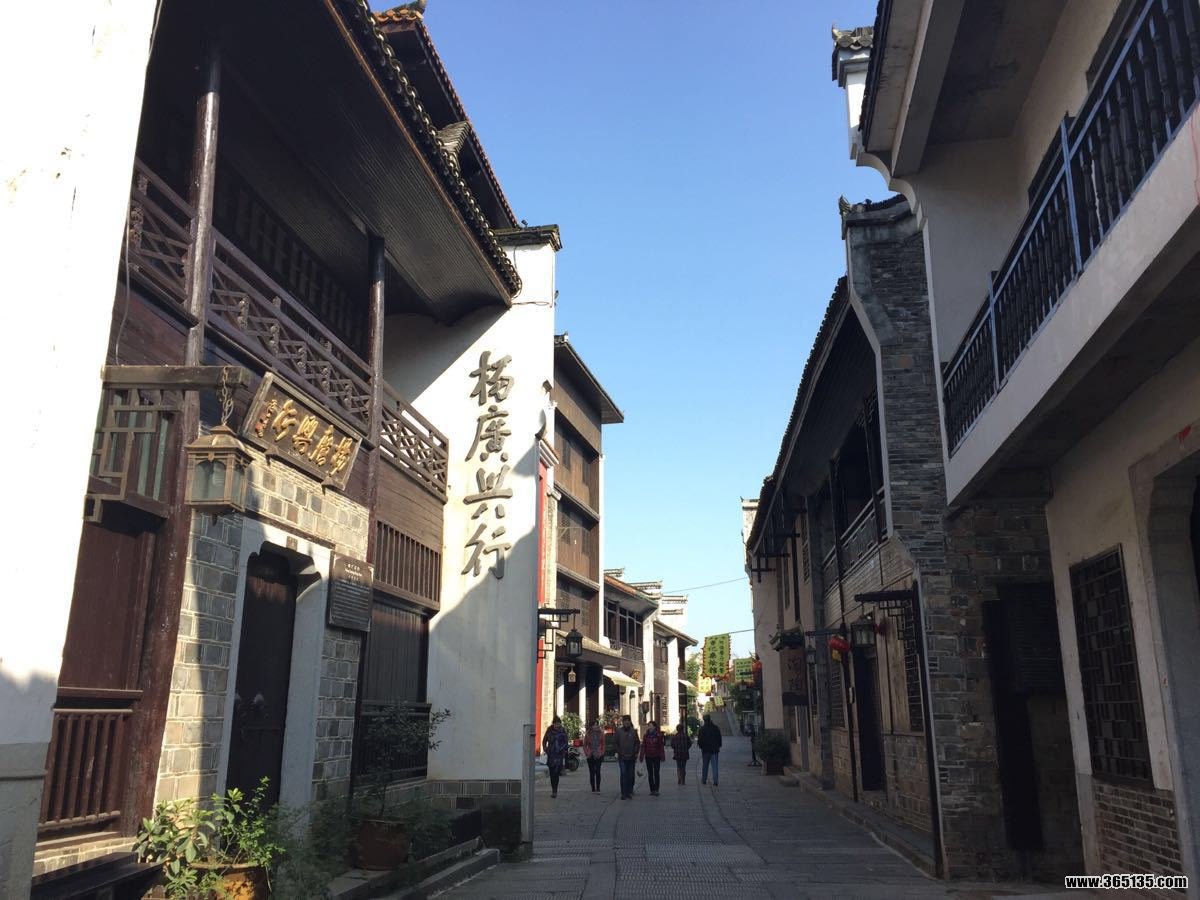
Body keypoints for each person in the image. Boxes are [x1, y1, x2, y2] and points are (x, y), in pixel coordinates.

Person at [542, 715, 569, 799]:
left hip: (559, 754)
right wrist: (545, 749)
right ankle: (553, 789)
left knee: (556, 773)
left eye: (558, 724)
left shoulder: (562, 731)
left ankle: (555, 791)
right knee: (552, 773)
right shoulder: (549, 730)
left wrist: (563, 749)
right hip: (551, 754)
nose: (557, 725)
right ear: (553, 724)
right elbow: (544, 741)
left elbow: (566, 742)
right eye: (556, 724)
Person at [614, 714, 640, 800]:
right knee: (623, 774)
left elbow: (637, 743)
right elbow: (615, 743)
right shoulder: (619, 731)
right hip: (622, 757)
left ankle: (629, 791)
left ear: (630, 722)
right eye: (625, 721)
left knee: (631, 775)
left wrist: (635, 752)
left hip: (631, 757)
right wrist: (619, 752)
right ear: (623, 722)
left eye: (628, 721)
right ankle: (623, 793)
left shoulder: (633, 731)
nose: (626, 723)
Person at [639, 720, 666, 795]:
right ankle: (652, 790)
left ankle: (656, 789)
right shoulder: (646, 736)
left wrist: (662, 756)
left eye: (651, 726)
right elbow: (643, 746)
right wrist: (641, 756)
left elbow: (661, 746)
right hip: (648, 756)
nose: (650, 727)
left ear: (654, 727)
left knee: (656, 773)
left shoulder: (659, 735)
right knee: (650, 773)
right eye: (649, 726)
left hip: (656, 756)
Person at [697, 713, 722, 787]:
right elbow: (719, 738)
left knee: (705, 765)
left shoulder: (702, 729)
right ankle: (715, 781)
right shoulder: (716, 728)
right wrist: (719, 745)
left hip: (705, 750)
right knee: (715, 766)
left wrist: (701, 746)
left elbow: (700, 740)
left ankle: (704, 780)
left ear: (704, 720)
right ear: (710, 719)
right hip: (714, 750)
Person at [583, 717, 606, 793]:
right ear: (591, 726)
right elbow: (585, 745)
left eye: (596, 725)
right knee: (592, 772)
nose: (595, 726)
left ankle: (598, 787)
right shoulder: (588, 734)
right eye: (594, 725)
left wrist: (602, 752)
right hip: (590, 754)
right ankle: (593, 788)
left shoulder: (601, 733)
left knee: (598, 771)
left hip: (599, 754)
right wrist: (587, 753)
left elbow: (603, 744)